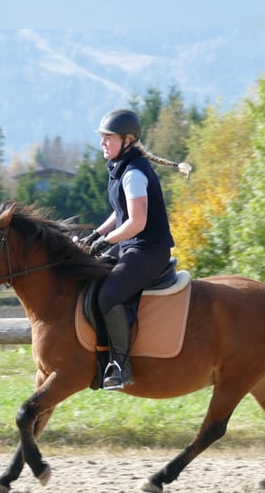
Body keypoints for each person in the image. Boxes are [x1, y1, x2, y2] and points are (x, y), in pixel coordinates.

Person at [80, 109, 191, 390]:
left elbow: (137, 222)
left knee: (108, 296)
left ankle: (120, 364)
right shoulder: (120, 168)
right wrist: (95, 235)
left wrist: (105, 243)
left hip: (149, 250)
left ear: (127, 140)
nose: (103, 143)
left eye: (108, 138)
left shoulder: (134, 173)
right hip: (131, 246)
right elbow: (120, 213)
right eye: (102, 138)